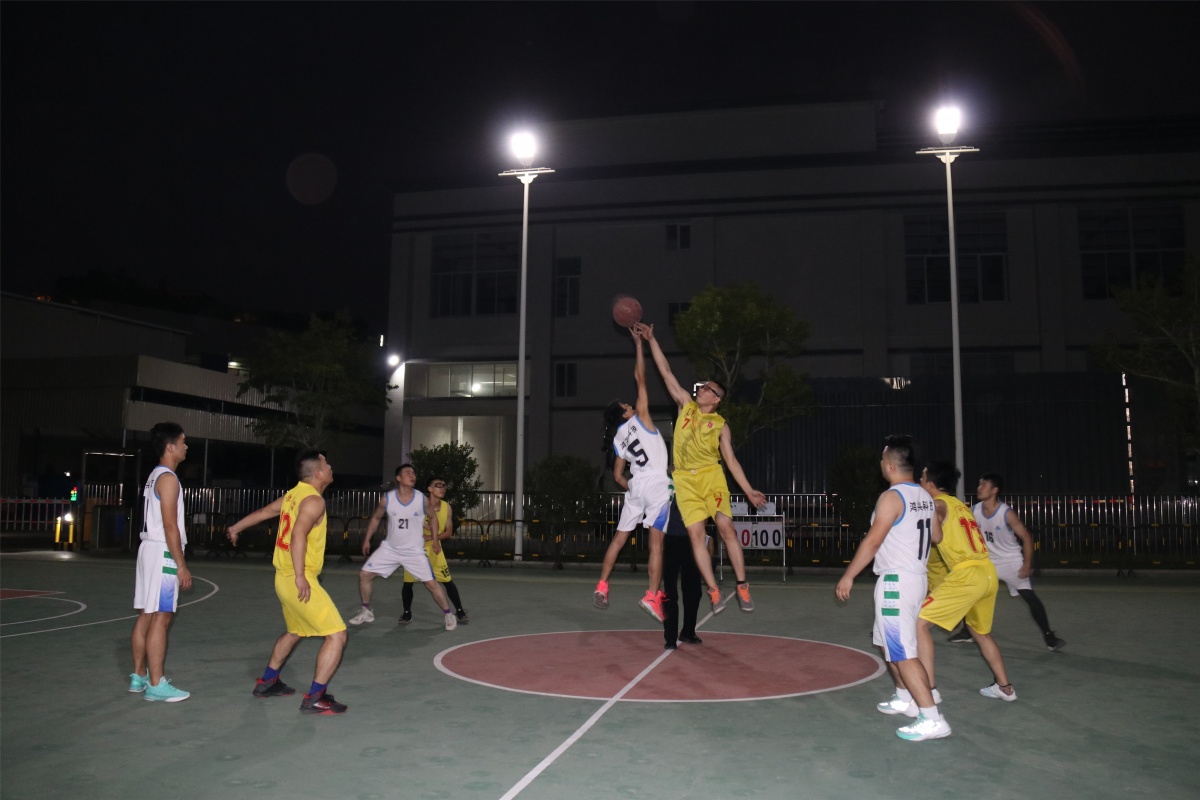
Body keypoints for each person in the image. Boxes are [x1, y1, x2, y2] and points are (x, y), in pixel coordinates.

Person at [637, 321, 766, 613]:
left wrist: (748, 490)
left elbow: (731, 461)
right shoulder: (685, 404)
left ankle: (742, 586)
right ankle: (713, 589)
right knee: (696, 535)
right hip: (684, 481)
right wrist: (651, 340)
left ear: (716, 398)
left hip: (711, 476)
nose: (700, 389)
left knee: (725, 526)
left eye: (706, 388)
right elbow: (665, 371)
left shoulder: (720, 425)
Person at [835, 435, 948, 742]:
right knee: (886, 642)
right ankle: (904, 696)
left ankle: (932, 718)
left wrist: (849, 576)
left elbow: (873, 541)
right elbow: (936, 537)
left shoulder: (892, 497)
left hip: (897, 581)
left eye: (883, 458)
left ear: (890, 465)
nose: (880, 462)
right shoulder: (924, 495)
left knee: (902, 651)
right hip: (915, 577)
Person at [226, 449, 349, 714]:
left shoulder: (293, 495)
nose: (331, 468)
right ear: (318, 473)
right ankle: (316, 698)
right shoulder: (314, 501)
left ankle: (268, 682)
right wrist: (301, 576)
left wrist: (236, 527)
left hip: (282, 578)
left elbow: (264, 512)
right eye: (327, 464)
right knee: (337, 635)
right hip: (297, 578)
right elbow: (298, 535)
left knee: (295, 631)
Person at [916, 461, 1018, 706]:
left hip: (967, 574)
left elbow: (935, 536)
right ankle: (1005, 688)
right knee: (980, 632)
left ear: (931, 484)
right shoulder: (961, 506)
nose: (919, 481)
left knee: (919, 625)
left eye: (923, 477)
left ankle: (929, 690)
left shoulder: (937, 504)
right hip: (987, 572)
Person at [594, 327, 673, 621]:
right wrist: (638, 344)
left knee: (619, 538)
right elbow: (641, 378)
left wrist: (634, 489)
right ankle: (652, 595)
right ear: (625, 413)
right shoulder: (642, 418)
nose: (630, 404)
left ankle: (602, 586)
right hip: (656, 484)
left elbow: (618, 477)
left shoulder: (617, 440)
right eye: (626, 406)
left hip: (636, 486)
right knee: (656, 544)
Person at [956, 472, 1065, 651]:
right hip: (988, 561)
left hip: (1010, 561)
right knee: (969, 592)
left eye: (984, 485)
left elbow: (1027, 538)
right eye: (979, 484)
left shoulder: (1006, 513)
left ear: (994, 490)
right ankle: (967, 632)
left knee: (1029, 597)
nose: (979, 488)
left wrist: (1027, 564)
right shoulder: (974, 511)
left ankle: (1049, 637)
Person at [347, 464, 457, 631]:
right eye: (407, 473)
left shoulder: (421, 499)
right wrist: (367, 539)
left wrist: (435, 540)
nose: (412, 475)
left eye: (413, 473)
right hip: (390, 549)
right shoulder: (387, 498)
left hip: (414, 551)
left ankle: (448, 614)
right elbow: (376, 518)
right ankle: (366, 611)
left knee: (431, 584)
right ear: (398, 478)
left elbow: (433, 518)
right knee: (364, 574)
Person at [130, 422, 193, 702]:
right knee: (162, 617)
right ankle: (156, 684)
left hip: (148, 549)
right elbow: (170, 525)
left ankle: (139, 675)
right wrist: (180, 564)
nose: (185, 446)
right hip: (162, 551)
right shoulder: (168, 479)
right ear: (170, 447)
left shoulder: (154, 475)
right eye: (182, 441)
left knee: (146, 614)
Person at [400, 475, 469, 625]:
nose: (442, 488)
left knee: (447, 581)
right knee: (408, 582)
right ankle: (407, 613)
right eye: (438, 485)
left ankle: (459, 611)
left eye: (444, 485)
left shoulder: (447, 507)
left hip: (435, 549)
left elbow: (448, 532)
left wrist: (432, 538)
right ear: (430, 489)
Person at [661, 498, 703, 650]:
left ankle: (688, 632)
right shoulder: (667, 486)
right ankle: (670, 637)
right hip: (669, 538)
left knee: (694, 590)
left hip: (691, 540)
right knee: (670, 592)